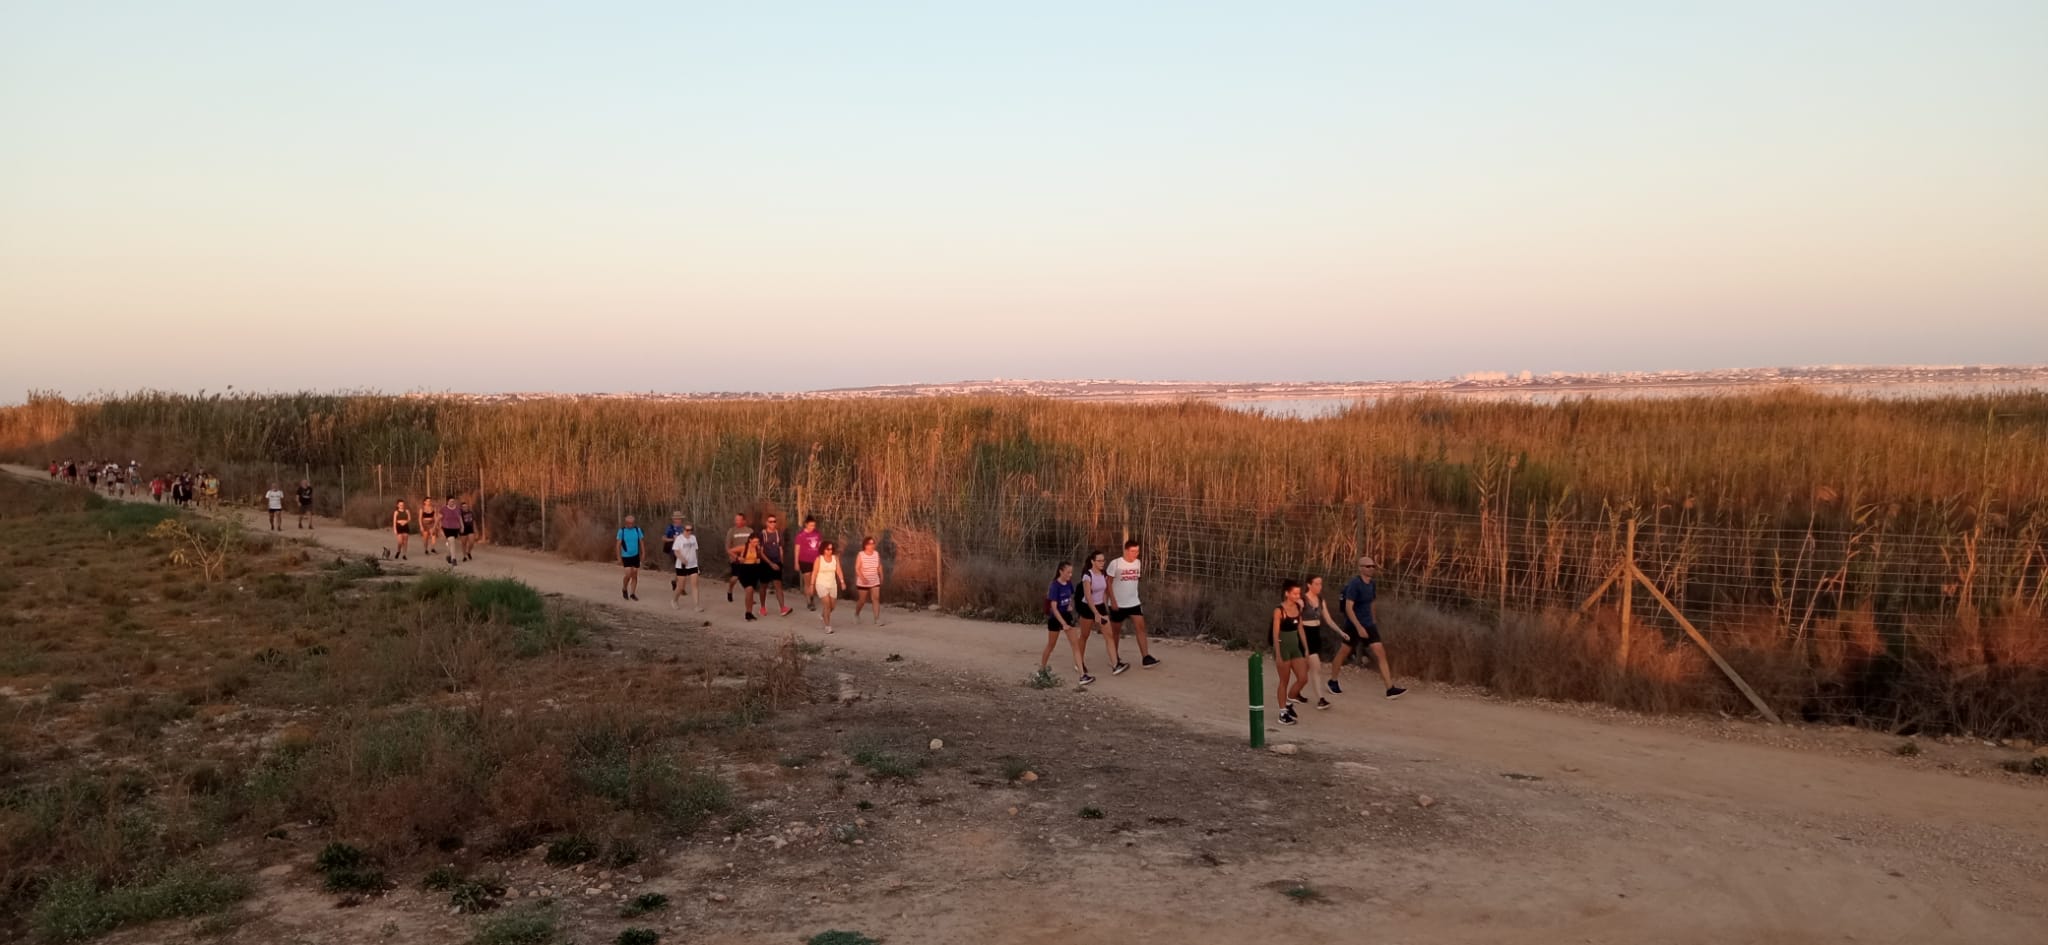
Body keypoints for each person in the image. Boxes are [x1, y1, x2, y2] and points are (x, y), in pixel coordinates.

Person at [1336, 556, 1406, 700]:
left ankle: (1390, 688)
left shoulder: (1372, 584)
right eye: (1368, 566)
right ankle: (1332, 680)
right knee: (1343, 652)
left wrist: (1372, 621)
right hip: (1353, 624)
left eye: (1373, 566)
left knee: (1381, 653)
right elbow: (1349, 608)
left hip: (1368, 624)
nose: (1371, 569)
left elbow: (1372, 602)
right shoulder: (1355, 584)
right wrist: (1359, 627)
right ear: (1360, 568)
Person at [1105, 539, 1159, 668]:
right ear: (1126, 551)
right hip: (1118, 603)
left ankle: (1146, 657)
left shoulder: (1137, 563)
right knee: (1116, 632)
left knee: (1140, 628)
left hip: (1133, 602)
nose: (1136, 554)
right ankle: (1115, 658)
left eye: (1137, 551)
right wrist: (1112, 601)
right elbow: (1108, 583)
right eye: (1133, 551)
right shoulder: (1116, 563)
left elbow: (1135, 580)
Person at [1044, 562, 1093, 685]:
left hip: (1066, 615)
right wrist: (1063, 624)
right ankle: (1042, 669)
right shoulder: (1055, 586)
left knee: (1075, 645)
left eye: (1071, 572)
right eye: (1068, 572)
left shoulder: (1069, 584)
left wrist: (1069, 605)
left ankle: (1082, 675)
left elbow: (1069, 596)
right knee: (1051, 645)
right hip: (1055, 618)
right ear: (1061, 571)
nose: (1070, 575)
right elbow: (1054, 608)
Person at [1273, 580, 1310, 725]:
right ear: (1287, 593)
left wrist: (1306, 648)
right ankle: (1282, 713)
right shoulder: (1279, 611)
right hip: (1283, 648)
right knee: (1284, 681)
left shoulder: (1298, 608)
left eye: (1298, 593)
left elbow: (1300, 628)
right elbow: (1275, 634)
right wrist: (1278, 654)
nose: (1297, 596)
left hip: (1295, 648)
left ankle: (1288, 702)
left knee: (1303, 678)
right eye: (1294, 593)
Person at [1077, 551, 1120, 674]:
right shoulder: (1087, 576)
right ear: (1092, 561)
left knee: (1109, 635)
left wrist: (1105, 609)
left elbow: (1104, 592)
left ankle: (1115, 664)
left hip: (1100, 606)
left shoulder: (1104, 574)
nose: (1102, 563)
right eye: (1099, 561)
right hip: (1087, 607)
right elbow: (1088, 596)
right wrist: (1095, 613)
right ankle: (1079, 662)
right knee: (1084, 636)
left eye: (1103, 561)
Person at [1301, 575, 1334, 710]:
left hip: (1315, 634)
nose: (1319, 587)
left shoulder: (1320, 600)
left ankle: (1294, 693)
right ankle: (1320, 699)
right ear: (1309, 585)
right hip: (1305, 635)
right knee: (1316, 668)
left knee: (1305, 670)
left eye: (1320, 584)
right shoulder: (1302, 600)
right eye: (1316, 584)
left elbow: (1328, 620)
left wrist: (1341, 632)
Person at [757, 514, 793, 617]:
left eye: (774, 521)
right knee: (764, 585)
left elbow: (780, 549)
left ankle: (782, 608)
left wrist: (781, 563)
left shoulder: (778, 534)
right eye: (770, 521)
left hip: (776, 562)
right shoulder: (762, 534)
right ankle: (763, 607)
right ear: (766, 523)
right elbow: (761, 552)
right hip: (765, 563)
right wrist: (770, 564)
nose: (773, 523)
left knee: (778, 586)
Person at [813, 540, 846, 632]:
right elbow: (814, 573)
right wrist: (812, 585)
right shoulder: (819, 559)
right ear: (823, 549)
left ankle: (823, 615)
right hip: (821, 584)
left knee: (832, 606)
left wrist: (842, 582)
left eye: (831, 549)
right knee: (827, 605)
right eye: (827, 549)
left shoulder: (835, 558)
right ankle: (827, 626)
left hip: (832, 584)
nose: (829, 551)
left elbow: (838, 570)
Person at [852, 537, 885, 627]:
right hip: (863, 581)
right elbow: (857, 568)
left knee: (876, 598)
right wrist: (862, 578)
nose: (871, 546)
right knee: (862, 600)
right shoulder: (861, 554)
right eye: (869, 544)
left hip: (874, 579)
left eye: (873, 543)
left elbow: (879, 566)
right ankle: (856, 614)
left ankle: (877, 619)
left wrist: (881, 575)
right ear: (865, 545)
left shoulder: (876, 554)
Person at [794, 516, 824, 610]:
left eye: (814, 525)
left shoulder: (817, 534)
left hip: (815, 560)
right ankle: (809, 601)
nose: (812, 527)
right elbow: (797, 549)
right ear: (806, 524)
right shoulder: (800, 535)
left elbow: (820, 546)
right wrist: (796, 562)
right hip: (804, 560)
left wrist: (822, 558)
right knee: (807, 582)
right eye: (811, 525)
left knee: (813, 581)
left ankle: (812, 597)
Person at [670, 522, 701, 611]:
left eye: (691, 530)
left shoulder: (693, 538)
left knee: (695, 585)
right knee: (681, 587)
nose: (689, 532)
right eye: (687, 530)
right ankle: (674, 600)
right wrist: (682, 558)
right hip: (681, 565)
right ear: (683, 530)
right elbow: (676, 551)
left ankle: (696, 605)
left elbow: (695, 550)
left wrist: (696, 563)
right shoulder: (679, 539)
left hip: (693, 564)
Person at [724, 513, 753, 604]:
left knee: (749, 578)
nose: (737, 522)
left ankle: (749, 598)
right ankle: (730, 589)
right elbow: (728, 547)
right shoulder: (731, 531)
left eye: (739, 520)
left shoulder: (749, 531)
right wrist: (735, 557)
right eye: (736, 520)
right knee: (735, 577)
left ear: (744, 520)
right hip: (736, 558)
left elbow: (753, 544)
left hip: (748, 559)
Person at [736, 533, 765, 620]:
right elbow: (730, 551)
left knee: (751, 592)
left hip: (754, 571)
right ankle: (748, 612)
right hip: (744, 570)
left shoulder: (757, 548)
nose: (756, 543)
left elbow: (759, 557)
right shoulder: (743, 547)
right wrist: (738, 558)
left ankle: (749, 612)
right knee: (749, 590)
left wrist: (758, 559)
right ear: (750, 540)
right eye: (755, 541)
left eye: (757, 541)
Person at [616, 514, 645, 601]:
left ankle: (632, 593)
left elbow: (641, 542)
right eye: (629, 523)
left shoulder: (637, 530)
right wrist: (618, 557)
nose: (631, 525)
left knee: (635, 574)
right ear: (626, 523)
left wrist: (643, 553)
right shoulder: (622, 531)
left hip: (635, 555)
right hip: (626, 556)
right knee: (628, 574)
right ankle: (624, 588)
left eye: (632, 523)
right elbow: (618, 545)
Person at [663, 512, 687, 589]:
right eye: (677, 518)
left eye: (680, 518)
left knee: (682, 569)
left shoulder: (683, 528)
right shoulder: (670, 528)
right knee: (681, 568)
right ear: (673, 519)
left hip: (684, 551)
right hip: (674, 552)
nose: (679, 520)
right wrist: (673, 539)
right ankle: (681, 588)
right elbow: (664, 538)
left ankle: (675, 581)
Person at [440, 495, 463, 566]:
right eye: (450, 501)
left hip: (455, 528)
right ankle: (454, 559)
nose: (452, 502)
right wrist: (436, 528)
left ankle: (448, 555)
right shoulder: (444, 509)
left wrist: (462, 526)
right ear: (447, 501)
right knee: (452, 540)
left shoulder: (458, 509)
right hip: (446, 527)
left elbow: (460, 518)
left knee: (451, 543)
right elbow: (438, 518)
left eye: (453, 501)